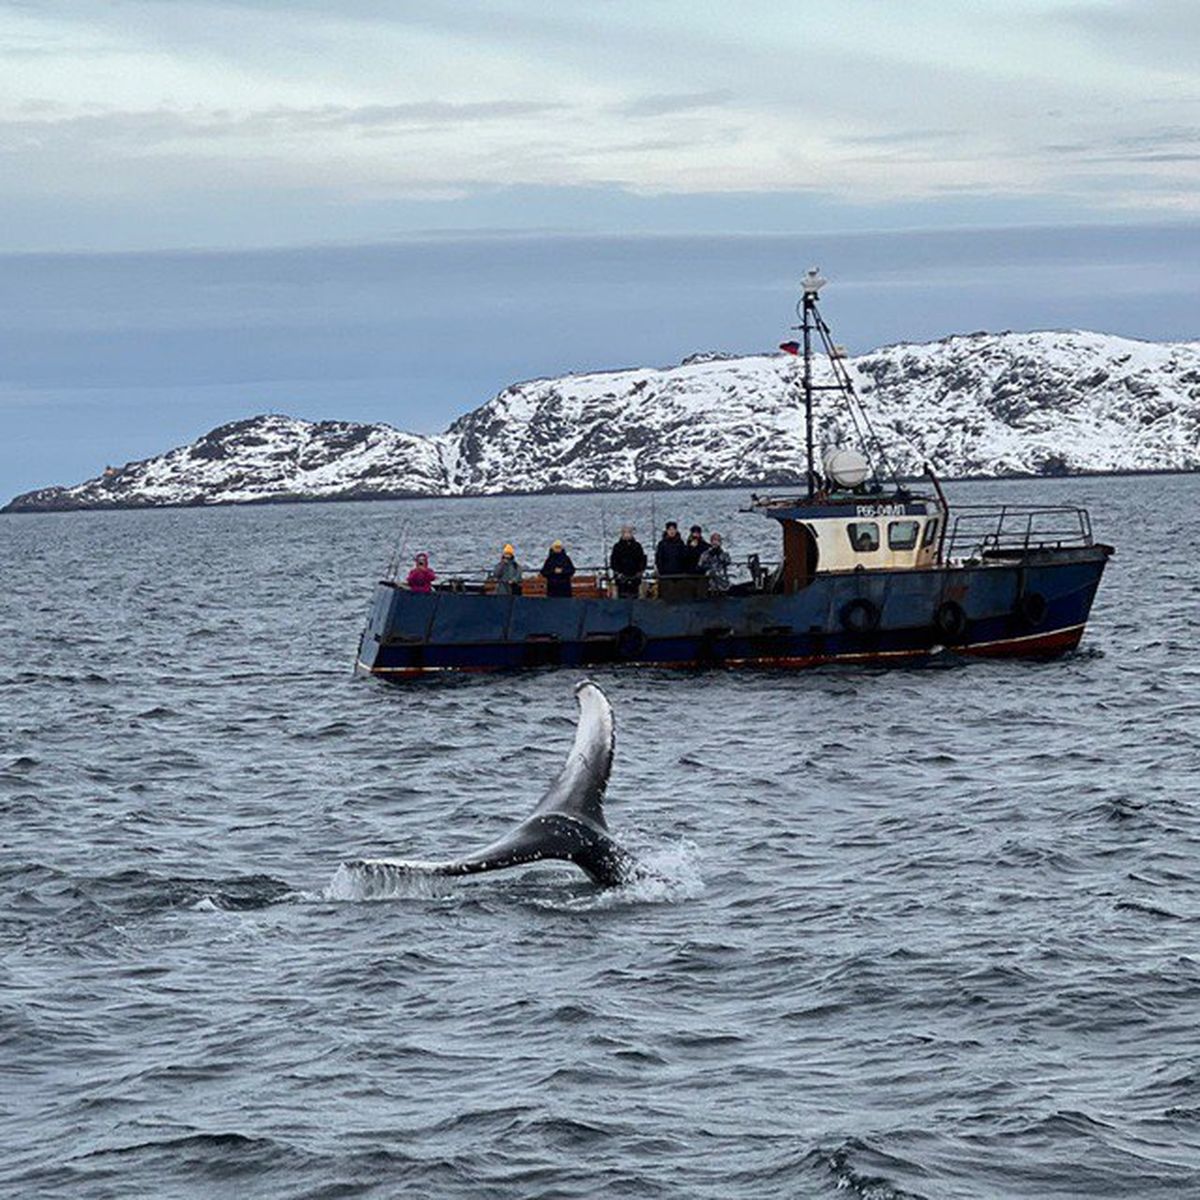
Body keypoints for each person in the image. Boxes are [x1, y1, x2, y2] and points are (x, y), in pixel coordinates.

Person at [610, 525, 647, 598]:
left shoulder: (637, 546)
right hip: (621, 578)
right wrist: (618, 573)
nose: (627, 534)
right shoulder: (617, 547)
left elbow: (642, 560)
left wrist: (640, 572)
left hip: (635, 577)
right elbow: (613, 561)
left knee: (635, 596)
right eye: (625, 532)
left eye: (629, 532)